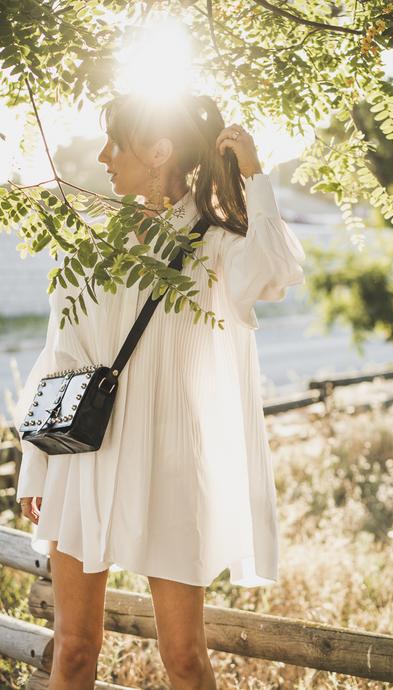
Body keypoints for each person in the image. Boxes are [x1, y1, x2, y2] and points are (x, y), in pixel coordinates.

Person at [13, 92, 306, 690]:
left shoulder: (213, 243)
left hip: (172, 467)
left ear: (158, 152)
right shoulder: (93, 243)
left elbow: (274, 272)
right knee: (72, 650)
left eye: (114, 144)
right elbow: (58, 359)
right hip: (84, 461)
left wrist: (255, 177)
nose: (101, 157)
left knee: (185, 658)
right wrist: (36, 466)